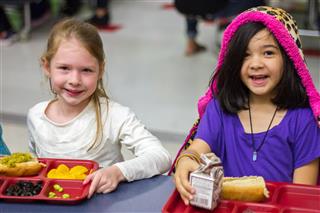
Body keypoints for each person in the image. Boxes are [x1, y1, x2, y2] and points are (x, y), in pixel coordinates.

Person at [172, 6, 320, 205]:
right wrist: (187, 159)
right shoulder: (220, 108)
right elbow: (198, 148)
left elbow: (301, 198)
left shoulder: (303, 120)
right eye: (245, 55)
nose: (255, 63)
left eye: (268, 53)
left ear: (289, 58)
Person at [27, 18, 172, 198]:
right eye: (64, 68)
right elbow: (35, 167)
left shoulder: (115, 115)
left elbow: (160, 157)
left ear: (101, 70)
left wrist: (118, 172)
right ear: (47, 66)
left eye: (86, 70)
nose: (74, 80)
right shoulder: (35, 115)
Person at [174, 0, 265, 56]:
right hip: (215, 10)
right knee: (258, 2)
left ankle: (191, 42)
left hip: (184, 8)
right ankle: (230, 37)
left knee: (191, 6)